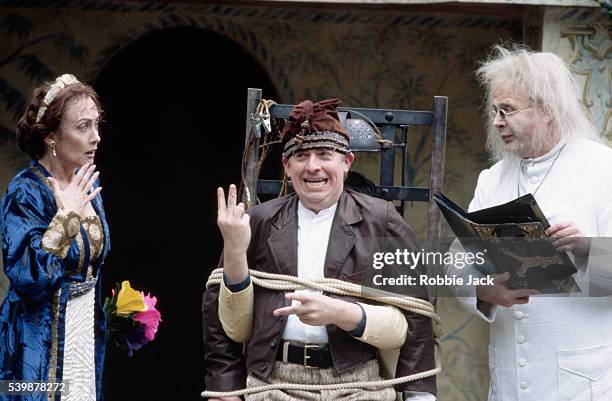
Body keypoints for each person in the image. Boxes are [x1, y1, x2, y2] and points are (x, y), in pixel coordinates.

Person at [203, 98, 437, 401]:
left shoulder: (382, 220)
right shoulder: (260, 220)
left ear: (347, 161)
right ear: (287, 166)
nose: (312, 166)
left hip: (358, 385)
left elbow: (416, 313)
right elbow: (218, 316)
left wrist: (419, 396)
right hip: (273, 384)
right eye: (301, 156)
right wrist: (225, 391)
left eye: (324, 154)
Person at [448, 45, 612, 400]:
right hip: (508, 380)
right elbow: (458, 260)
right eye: (494, 111)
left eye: (507, 110)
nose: (496, 122)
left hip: (582, 382)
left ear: (547, 109)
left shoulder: (602, 168)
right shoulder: (492, 179)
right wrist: (482, 292)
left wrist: (586, 250)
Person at [0, 74, 110, 401]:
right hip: (36, 341)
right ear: (51, 136)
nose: (96, 137)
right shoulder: (26, 191)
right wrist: (67, 217)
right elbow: (26, 275)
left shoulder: (87, 184)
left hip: (83, 335)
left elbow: (92, 265)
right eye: (83, 127)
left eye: (97, 125)